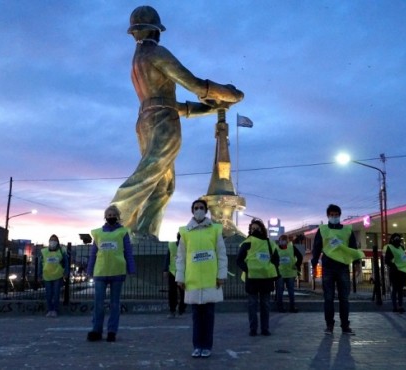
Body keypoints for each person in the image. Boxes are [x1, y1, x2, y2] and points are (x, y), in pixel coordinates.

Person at [110, 6, 244, 241]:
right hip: (162, 121)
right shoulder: (156, 53)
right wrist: (229, 94)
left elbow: (175, 105)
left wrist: (211, 107)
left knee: (163, 184)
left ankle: (143, 233)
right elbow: (194, 84)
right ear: (155, 31)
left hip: (148, 118)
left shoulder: (138, 60)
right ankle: (115, 219)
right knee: (149, 173)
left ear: (134, 33)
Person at [176, 199, 227, 358]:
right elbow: (181, 257)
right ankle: (197, 345)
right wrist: (180, 277)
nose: (199, 210)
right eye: (196, 208)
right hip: (193, 280)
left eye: (201, 208)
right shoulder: (185, 231)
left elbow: (221, 254)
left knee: (209, 316)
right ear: (192, 211)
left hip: (211, 279)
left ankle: (207, 346)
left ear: (206, 210)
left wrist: (221, 275)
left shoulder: (215, 229)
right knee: (196, 316)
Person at [311, 204, 364, 335]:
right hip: (328, 267)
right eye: (331, 215)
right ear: (328, 216)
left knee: (344, 298)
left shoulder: (347, 230)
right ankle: (329, 325)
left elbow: (353, 248)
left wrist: (357, 264)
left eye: (336, 215)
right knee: (328, 298)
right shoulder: (322, 230)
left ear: (340, 216)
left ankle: (345, 325)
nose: (334, 217)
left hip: (343, 267)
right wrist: (313, 264)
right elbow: (317, 247)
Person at [86, 205, 136, 342]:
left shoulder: (123, 232)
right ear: (105, 217)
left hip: (117, 271)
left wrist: (131, 269)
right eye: (108, 214)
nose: (110, 216)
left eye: (113, 214)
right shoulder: (98, 233)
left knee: (115, 304)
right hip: (100, 272)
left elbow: (128, 251)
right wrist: (89, 270)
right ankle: (96, 330)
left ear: (118, 217)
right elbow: (93, 254)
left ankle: (112, 331)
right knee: (98, 303)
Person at [236, 219, 279, 336]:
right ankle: (253, 329)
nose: (255, 230)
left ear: (262, 229)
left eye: (257, 228)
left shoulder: (270, 243)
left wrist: (269, 269)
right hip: (252, 280)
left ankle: (265, 329)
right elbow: (239, 260)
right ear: (250, 230)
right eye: (253, 228)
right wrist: (249, 270)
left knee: (265, 305)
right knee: (252, 305)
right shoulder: (247, 243)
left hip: (266, 279)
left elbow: (276, 259)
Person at [40, 234, 70, 318]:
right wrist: (39, 273)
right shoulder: (44, 251)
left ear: (57, 242)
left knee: (56, 294)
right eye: (51, 240)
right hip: (47, 275)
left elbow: (66, 262)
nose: (52, 242)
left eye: (54, 240)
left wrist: (66, 272)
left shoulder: (62, 250)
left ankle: (55, 310)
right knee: (48, 294)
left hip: (58, 275)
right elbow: (40, 263)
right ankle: (50, 310)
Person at [384, 233, 406, 313]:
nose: (398, 239)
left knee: (400, 290)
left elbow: (404, 259)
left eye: (399, 238)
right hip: (394, 272)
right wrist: (394, 266)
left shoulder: (401, 248)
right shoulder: (389, 247)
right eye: (396, 238)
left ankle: (400, 306)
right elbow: (387, 260)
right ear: (392, 239)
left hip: (402, 272)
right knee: (395, 289)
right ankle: (395, 306)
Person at [275, 234, 303, 313]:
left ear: (287, 241)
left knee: (288, 291)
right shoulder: (277, 249)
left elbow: (300, 257)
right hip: (281, 273)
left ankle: (290, 307)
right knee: (282, 291)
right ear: (279, 241)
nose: (283, 242)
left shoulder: (292, 247)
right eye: (281, 240)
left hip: (289, 273)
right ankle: (283, 307)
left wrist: (297, 265)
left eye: (284, 240)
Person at [163, 232, 186, 318]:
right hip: (173, 271)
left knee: (183, 292)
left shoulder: (186, 245)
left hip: (183, 271)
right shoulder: (172, 244)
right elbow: (168, 256)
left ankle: (181, 309)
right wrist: (165, 269)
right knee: (172, 292)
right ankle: (173, 310)